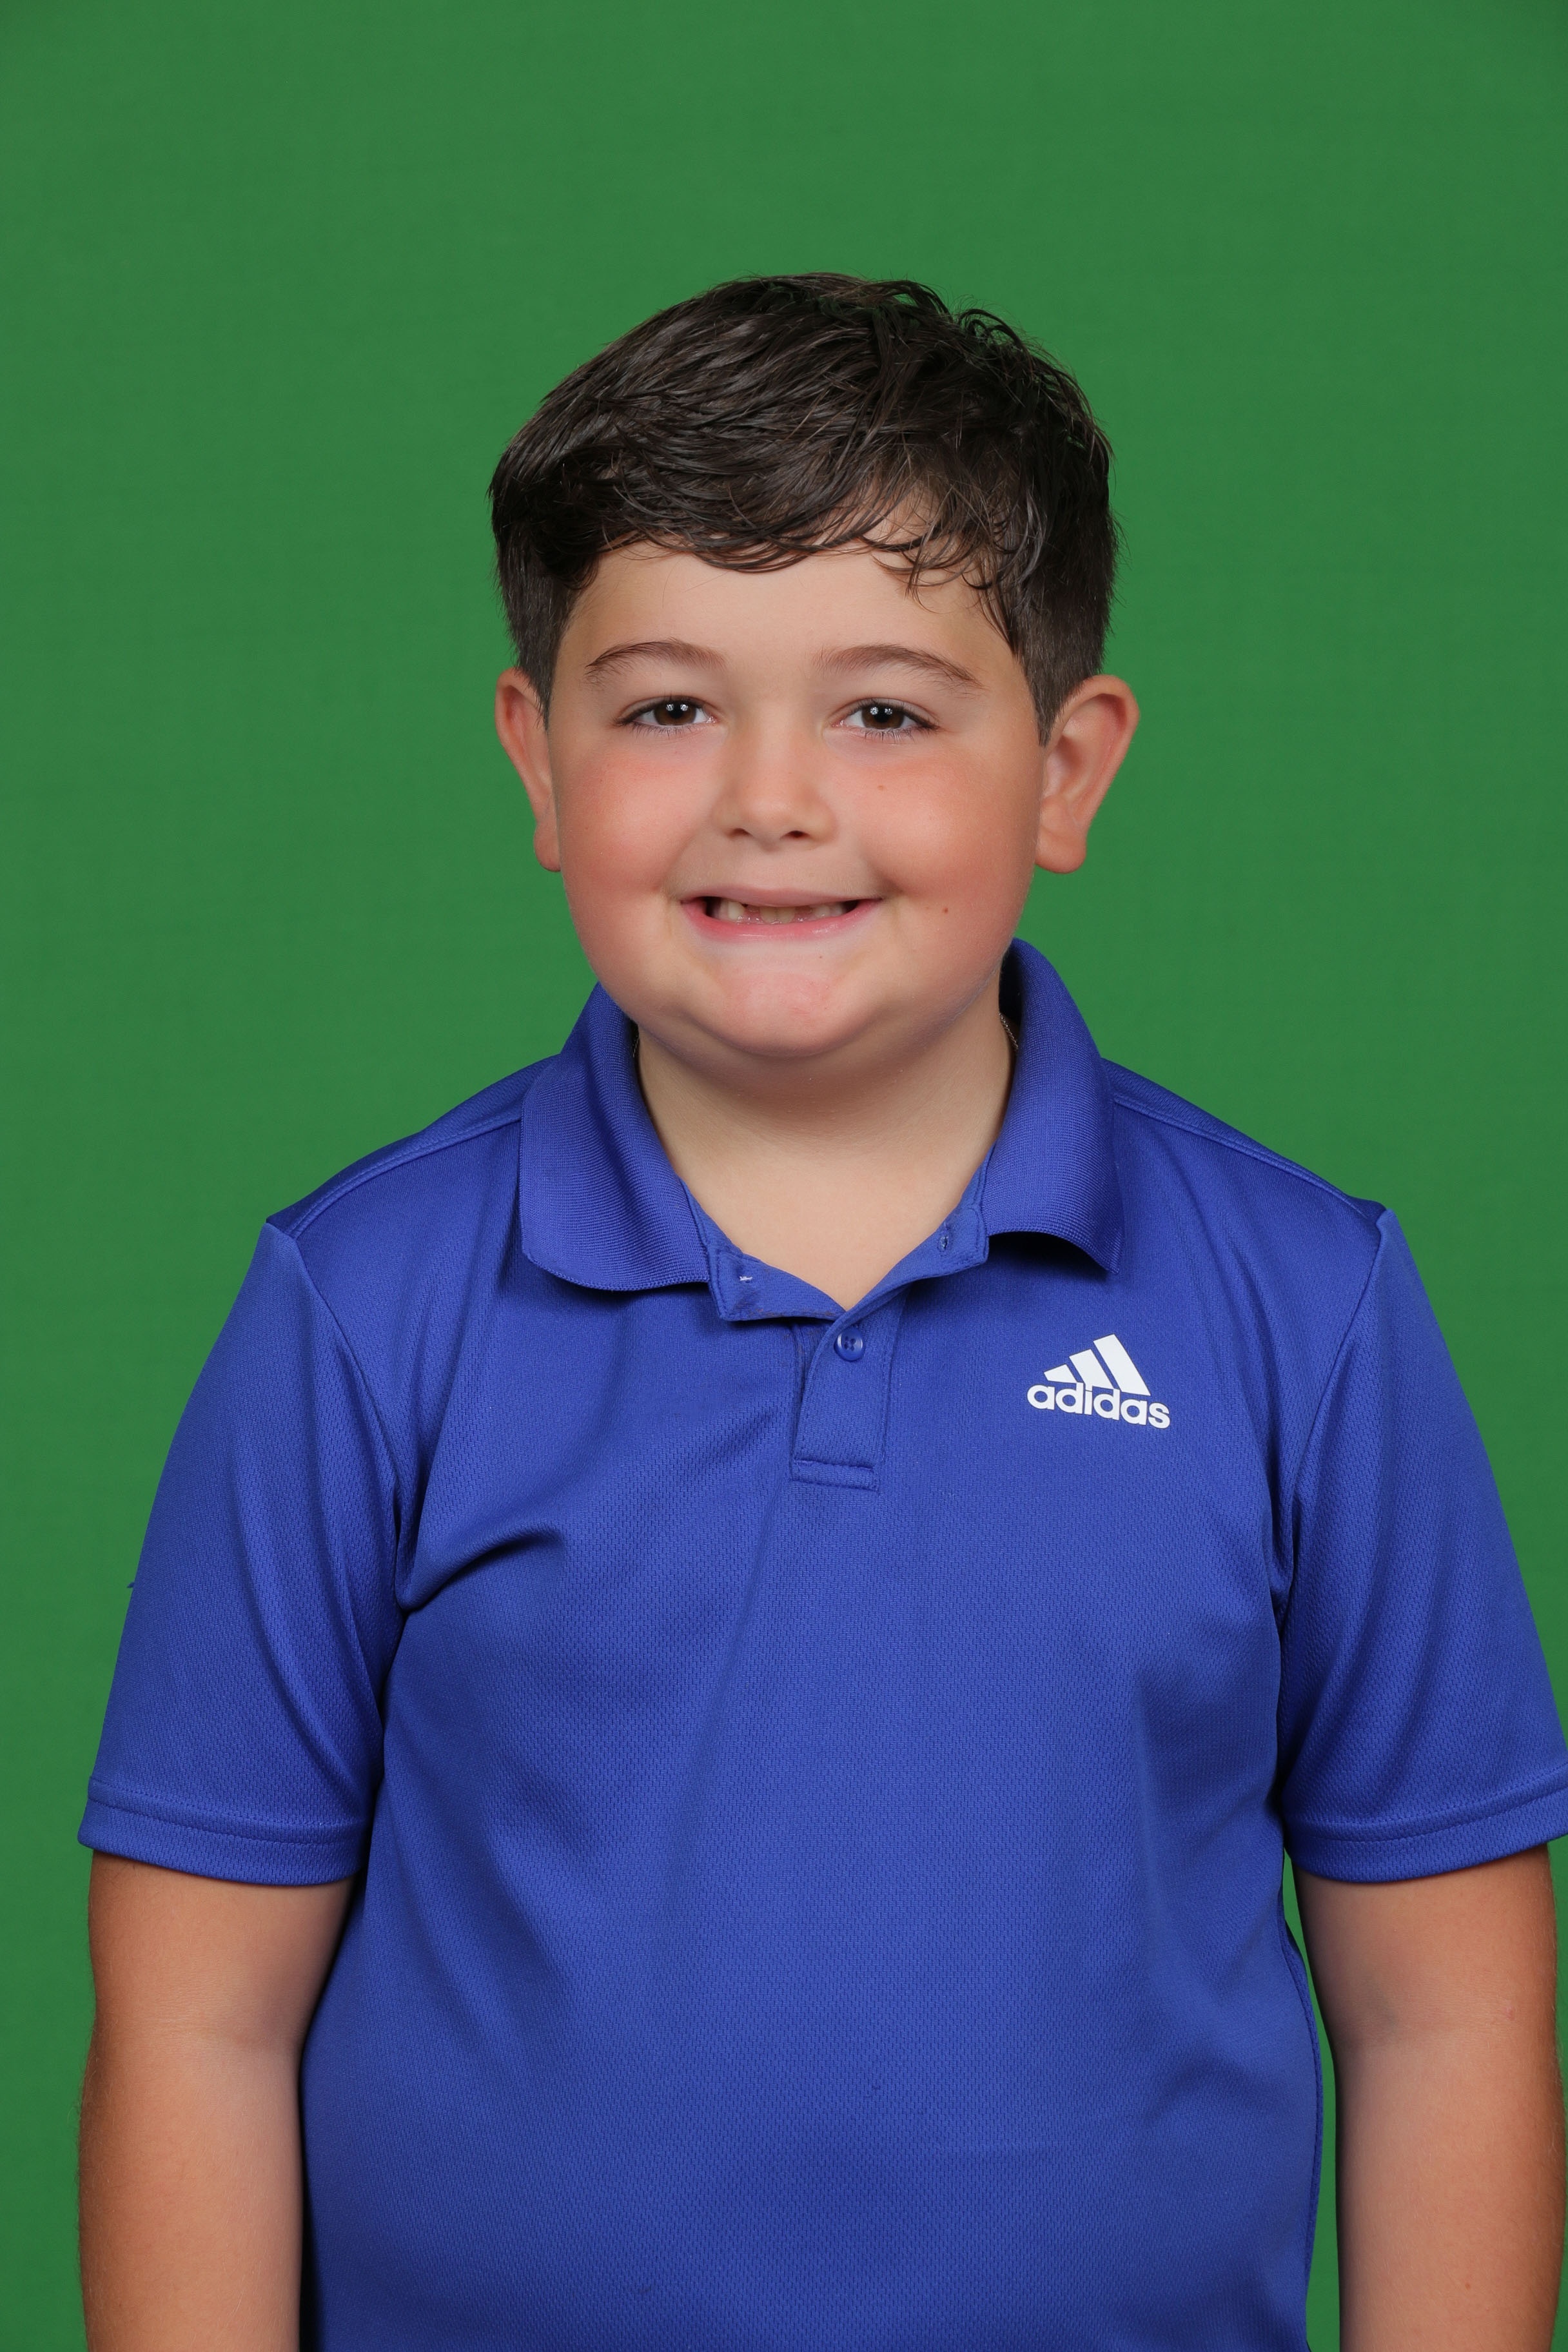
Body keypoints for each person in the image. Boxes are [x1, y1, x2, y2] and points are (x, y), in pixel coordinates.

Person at [77, 275, 1568, 2352]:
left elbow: (1445, 2017)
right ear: (536, 759)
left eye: (884, 711)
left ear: (1066, 770)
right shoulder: (361, 1307)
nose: (769, 797)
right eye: (666, 709)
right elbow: (196, 2024)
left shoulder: (1304, 1308)